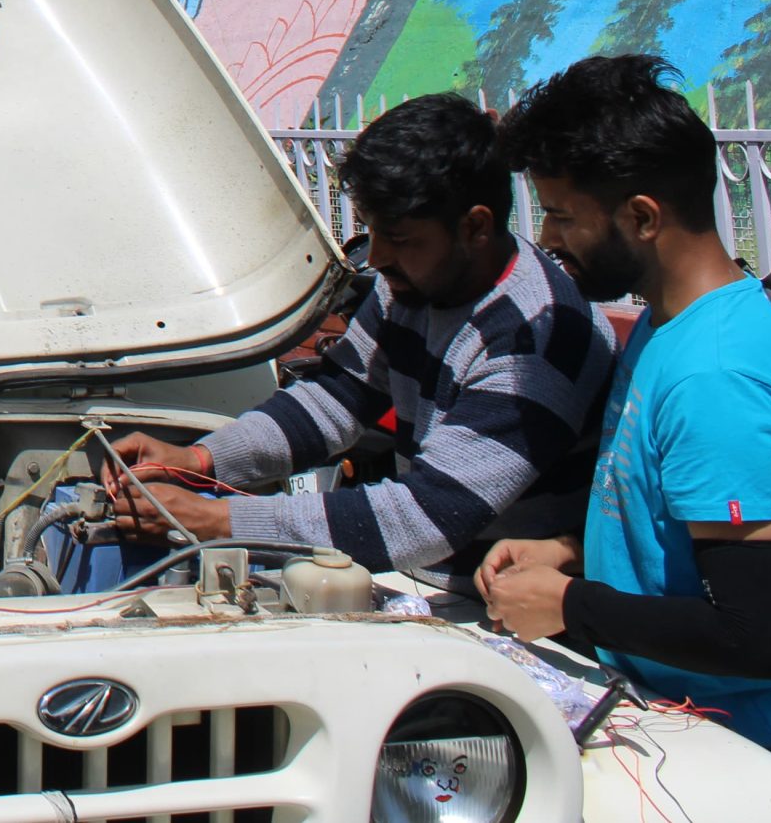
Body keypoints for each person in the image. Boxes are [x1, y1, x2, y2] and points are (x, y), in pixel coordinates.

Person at [479, 55, 771, 816]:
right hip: (685, 732)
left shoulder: (715, 380)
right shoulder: (670, 323)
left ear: (643, 218)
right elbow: (686, 536)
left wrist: (571, 604)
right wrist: (572, 553)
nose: (547, 238)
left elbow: (755, 635)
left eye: (563, 216)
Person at [103, 91, 616, 587]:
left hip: (501, 605)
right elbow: (336, 398)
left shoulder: (538, 339)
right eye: (374, 232)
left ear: (475, 228)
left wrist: (217, 519)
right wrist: (198, 460)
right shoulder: (413, 283)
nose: (378, 258)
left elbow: (426, 516)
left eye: (399, 239)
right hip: (421, 578)